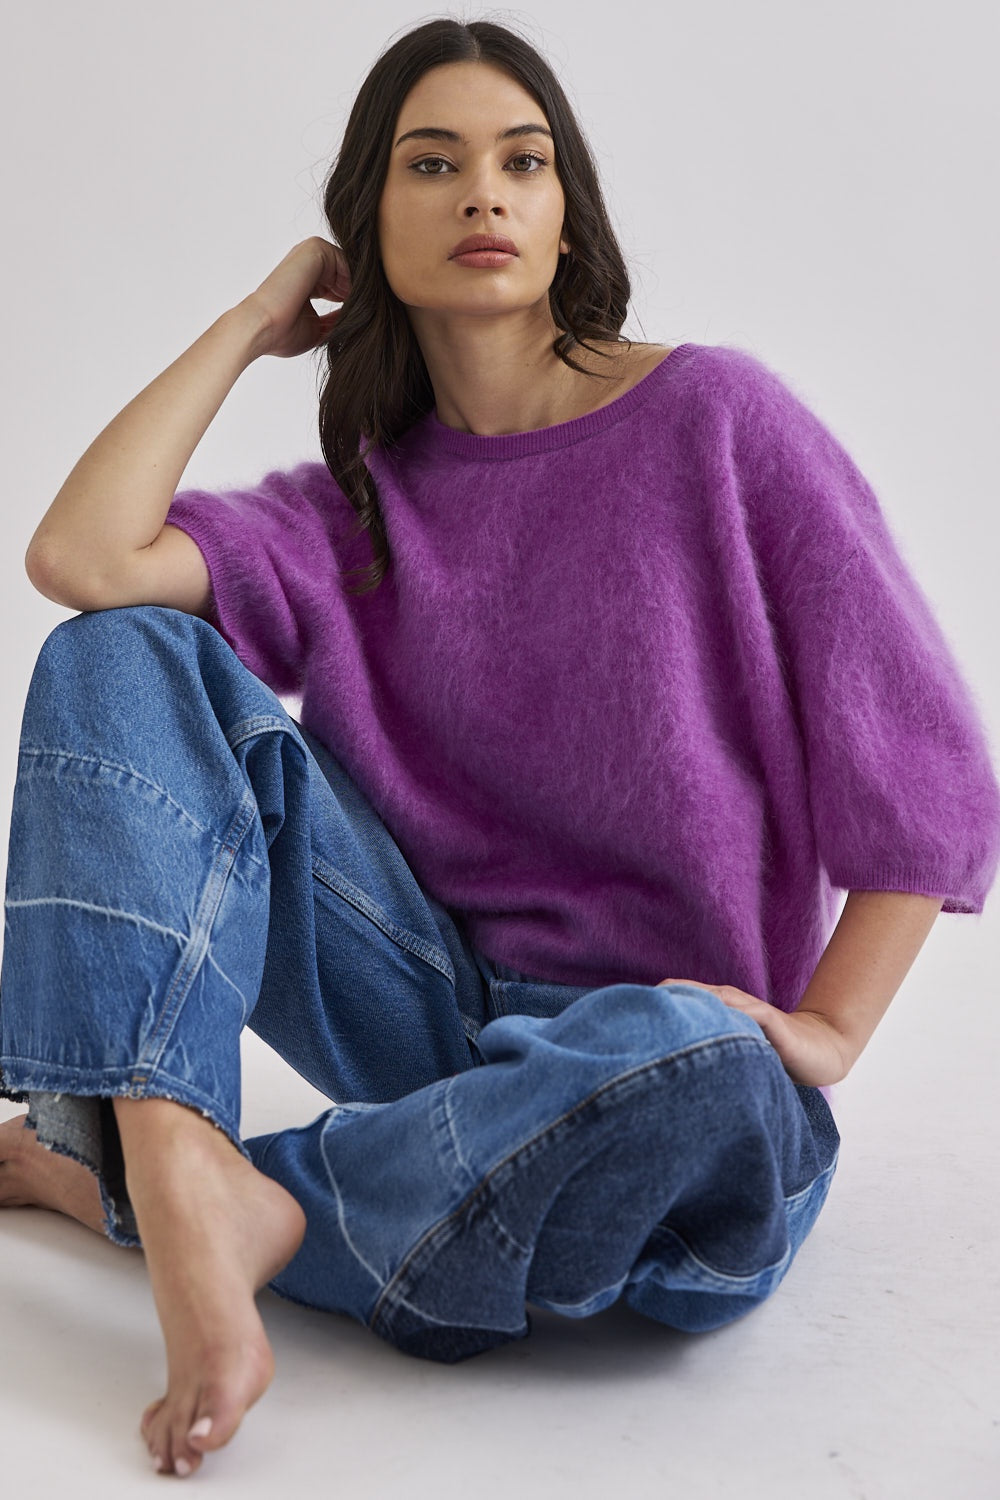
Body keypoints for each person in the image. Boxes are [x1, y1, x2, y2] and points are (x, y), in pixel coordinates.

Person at [2, 13, 998, 1484]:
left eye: (524, 163)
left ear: (565, 212)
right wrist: (256, 318)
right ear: (366, 229)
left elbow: (927, 765)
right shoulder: (356, 509)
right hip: (425, 1014)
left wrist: (829, 1034)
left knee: (700, 1065)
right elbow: (82, 559)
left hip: (667, 1055)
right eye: (432, 164)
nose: (484, 192)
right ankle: (167, 1152)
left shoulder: (720, 421)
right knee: (116, 651)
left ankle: (187, 1197)